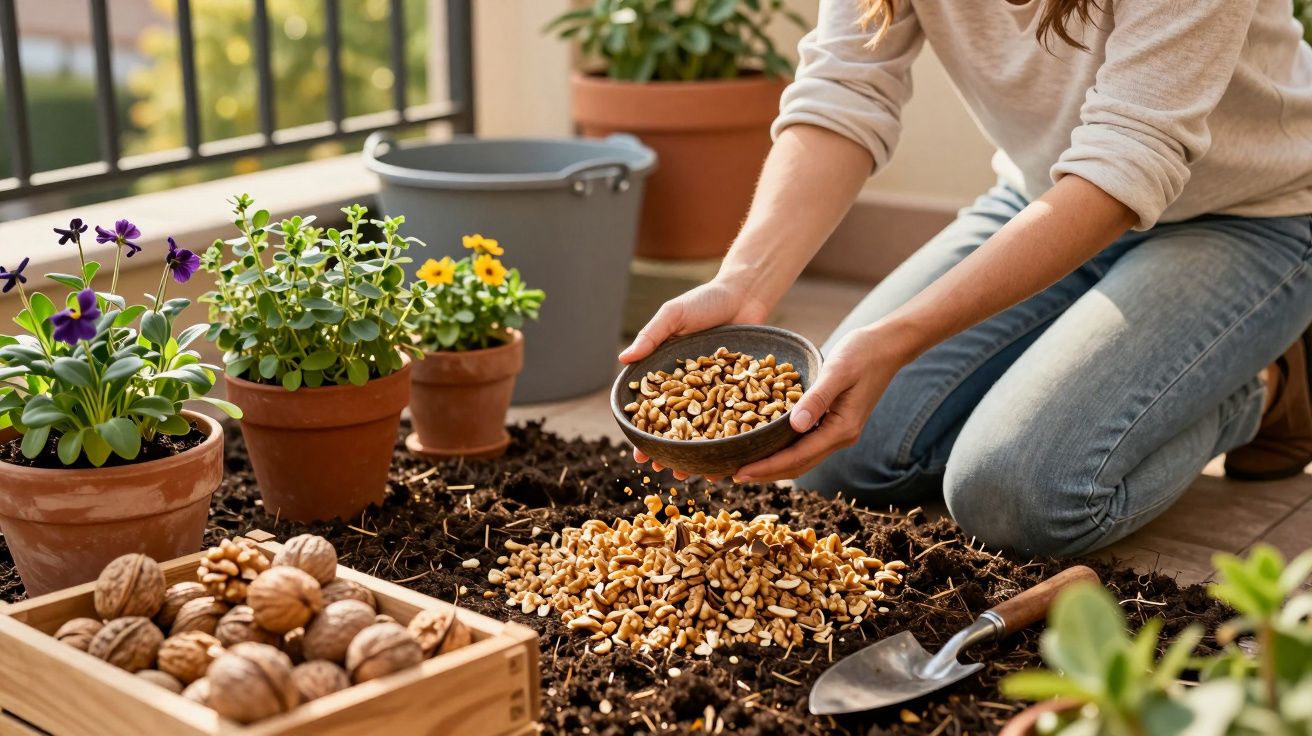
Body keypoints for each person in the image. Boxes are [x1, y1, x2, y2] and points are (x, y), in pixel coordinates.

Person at [619, 0, 1312, 558]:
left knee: (1013, 496)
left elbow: (1129, 159)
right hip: (1042, 198)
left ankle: (1264, 385)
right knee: (836, 457)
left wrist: (901, 336)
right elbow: (844, 92)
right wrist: (743, 284)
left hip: (1249, 214)